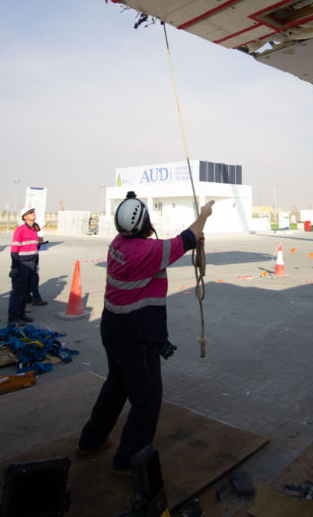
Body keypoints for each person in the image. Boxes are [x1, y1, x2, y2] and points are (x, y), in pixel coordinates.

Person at [77, 191, 214, 476]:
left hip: (113, 328)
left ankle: (91, 440)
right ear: (143, 223)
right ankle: (127, 460)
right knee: (147, 401)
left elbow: (174, 244)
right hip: (136, 336)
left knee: (116, 386)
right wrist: (204, 215)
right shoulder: (146, 253)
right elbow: (184, 240)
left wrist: (191, 237)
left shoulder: (118, 244)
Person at [8, 206, 40, 324]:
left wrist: (36, 264)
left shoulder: (34, 230)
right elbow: (14, 250)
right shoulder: (20, 230)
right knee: (18, 292)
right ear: (25, 217)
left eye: (33, 212)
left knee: (26, 292)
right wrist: (15, 266)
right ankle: (13, 319)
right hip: (22, 264)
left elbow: (35, 249)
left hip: (32, 263)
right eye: (30, 212)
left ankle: (21, 315)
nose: (33, 213)